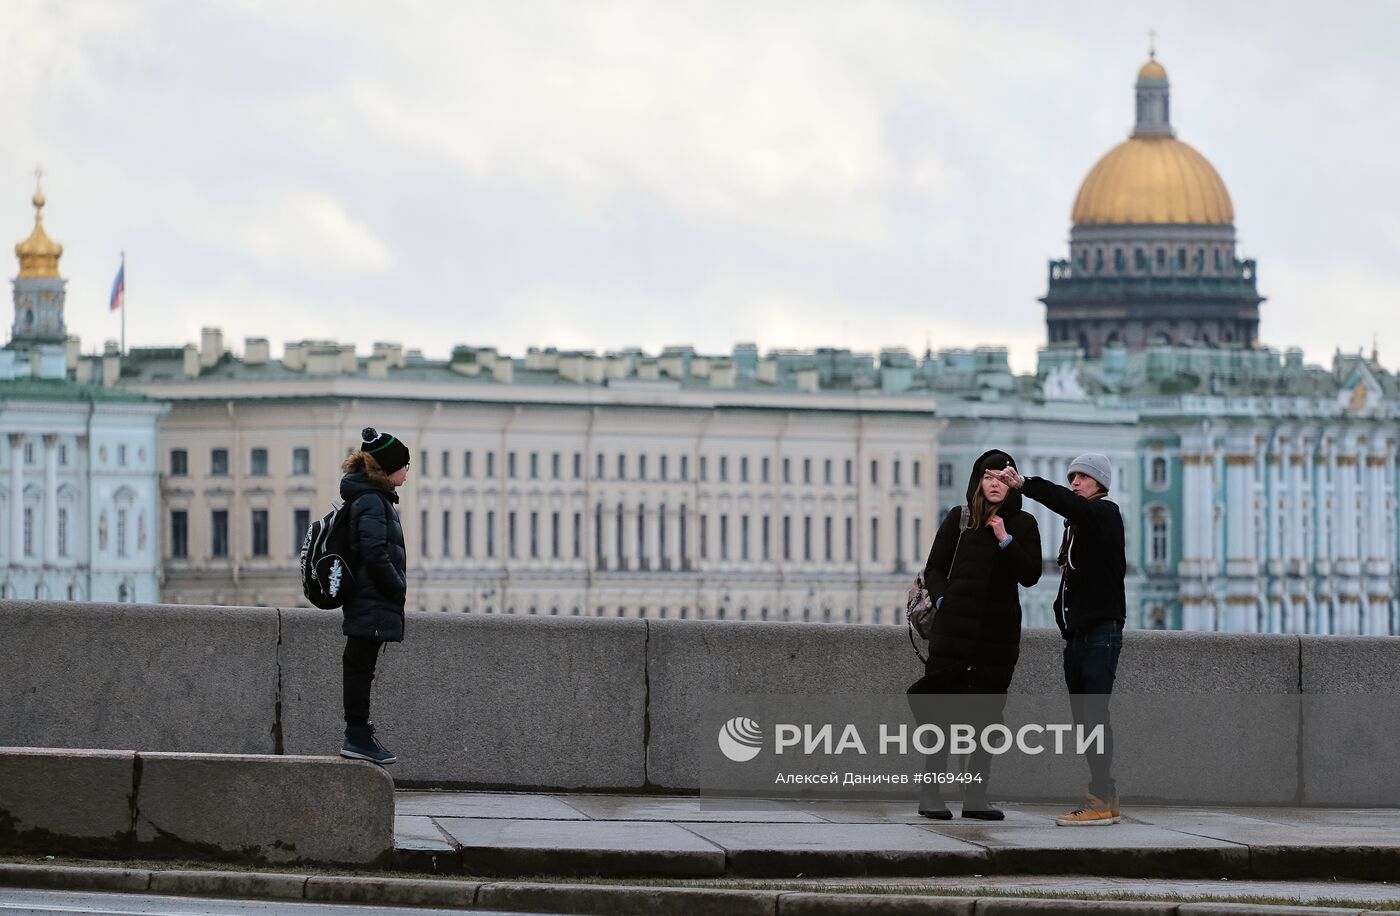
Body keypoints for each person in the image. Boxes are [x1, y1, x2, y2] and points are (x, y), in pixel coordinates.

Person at [991, 453, 1126, 826]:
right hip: (1080, 634)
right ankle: (1106, 794)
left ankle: (1099, 799)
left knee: (1094, 716)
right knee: (1086, 720)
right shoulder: (1081, 524)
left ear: (1100, 482)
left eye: (1082, 476)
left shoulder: (1104, 514)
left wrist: (1025, 484)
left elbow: (1065, 502)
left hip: (1100, 633)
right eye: (1072, 476)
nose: (1075, 482)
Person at [907, 449, 1041, 820]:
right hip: (953, 635)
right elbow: (934, 567)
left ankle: (975, 797)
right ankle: (930, 794)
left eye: (1002, 478)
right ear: (978, 481)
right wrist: (945, 598)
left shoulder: (1024, 524)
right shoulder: (959, 518)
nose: (995, 484)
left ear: (1012, 483)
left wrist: (1005, 539)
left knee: (985, 718)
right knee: (941, 716)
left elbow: (1031, 575)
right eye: (989, 477)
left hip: (997, 638)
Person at [338, 426, 410, 765]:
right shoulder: (371, 500)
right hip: (372, 598)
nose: (407, 470)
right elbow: (373, 552)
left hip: (368, 598)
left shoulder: (369, 497)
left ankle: (360, 734)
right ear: (386, 468)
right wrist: (396, 586)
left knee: (360, 665)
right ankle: (357, 736)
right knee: (359, 666)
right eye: (404, 465)